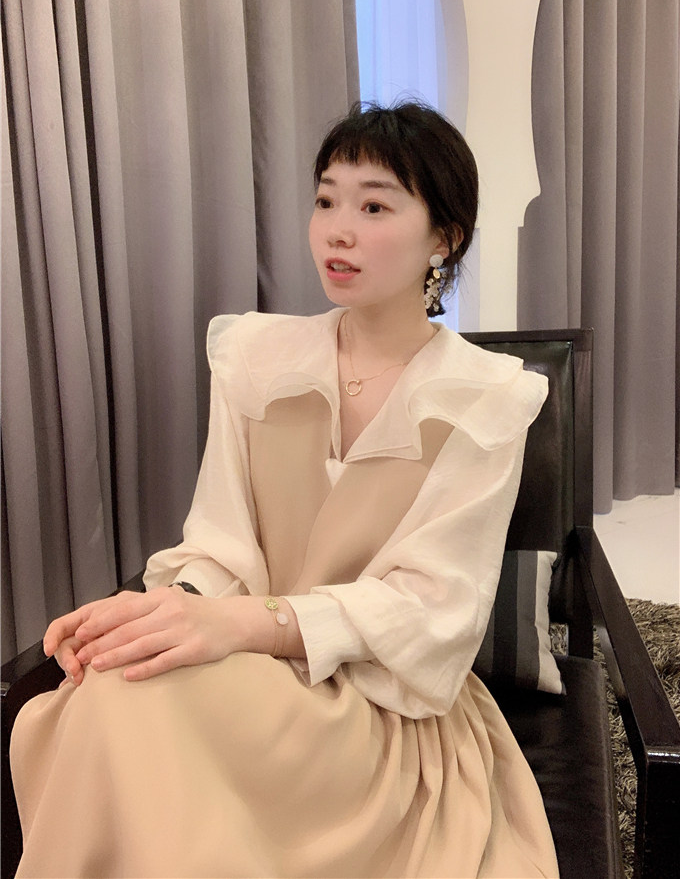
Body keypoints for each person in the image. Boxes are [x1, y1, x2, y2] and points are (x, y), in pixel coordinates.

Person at [10, 101, 559, 878]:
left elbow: (434, 611)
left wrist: (245, 625)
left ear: (444, 236)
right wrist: (166, 610)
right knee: (114, 681)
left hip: (381, 707)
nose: (338, 230)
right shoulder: (256, 358)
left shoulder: (486, 399)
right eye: (326, 200)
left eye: (374, 207)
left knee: (125, 709)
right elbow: (219, 541)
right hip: (252, 673)